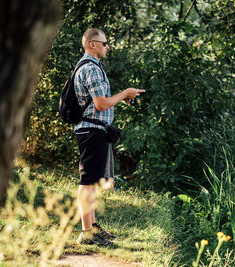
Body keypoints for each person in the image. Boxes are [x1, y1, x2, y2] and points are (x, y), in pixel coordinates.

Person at [74, 28, 145, 246]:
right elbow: (101, 103)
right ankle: (86, 233)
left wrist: (120, 98)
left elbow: (101, 101)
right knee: (87, 182)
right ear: (92, 44)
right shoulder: (92, 69)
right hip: (91, 131)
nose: (108, 47)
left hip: (95, 131)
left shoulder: (93, 67)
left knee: (93, 182)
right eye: (104, 43)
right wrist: (124, 93)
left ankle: (92, 228)